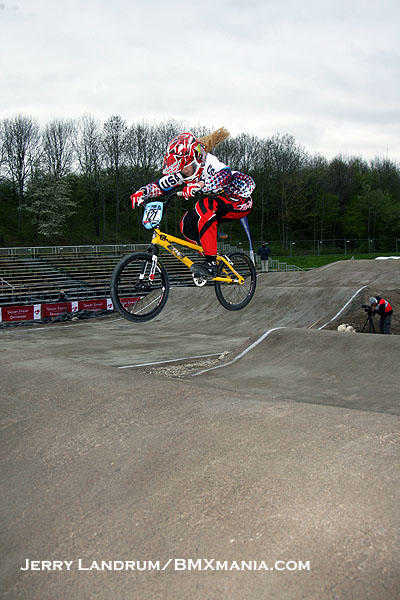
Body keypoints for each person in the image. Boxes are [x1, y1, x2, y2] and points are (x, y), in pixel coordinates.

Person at [130, 128, 255, 278]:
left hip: (239, 203)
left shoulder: (210, 162)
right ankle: (209, 252)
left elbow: (225, 176)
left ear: (194, 159)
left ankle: (211, 263)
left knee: (204, 206)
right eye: (179, 169)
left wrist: (200, 185)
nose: (182, 172)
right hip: (220, 206)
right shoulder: (184, 171)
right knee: (186, 223)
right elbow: (161, 185)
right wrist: (143, 192)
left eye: (184, 167)